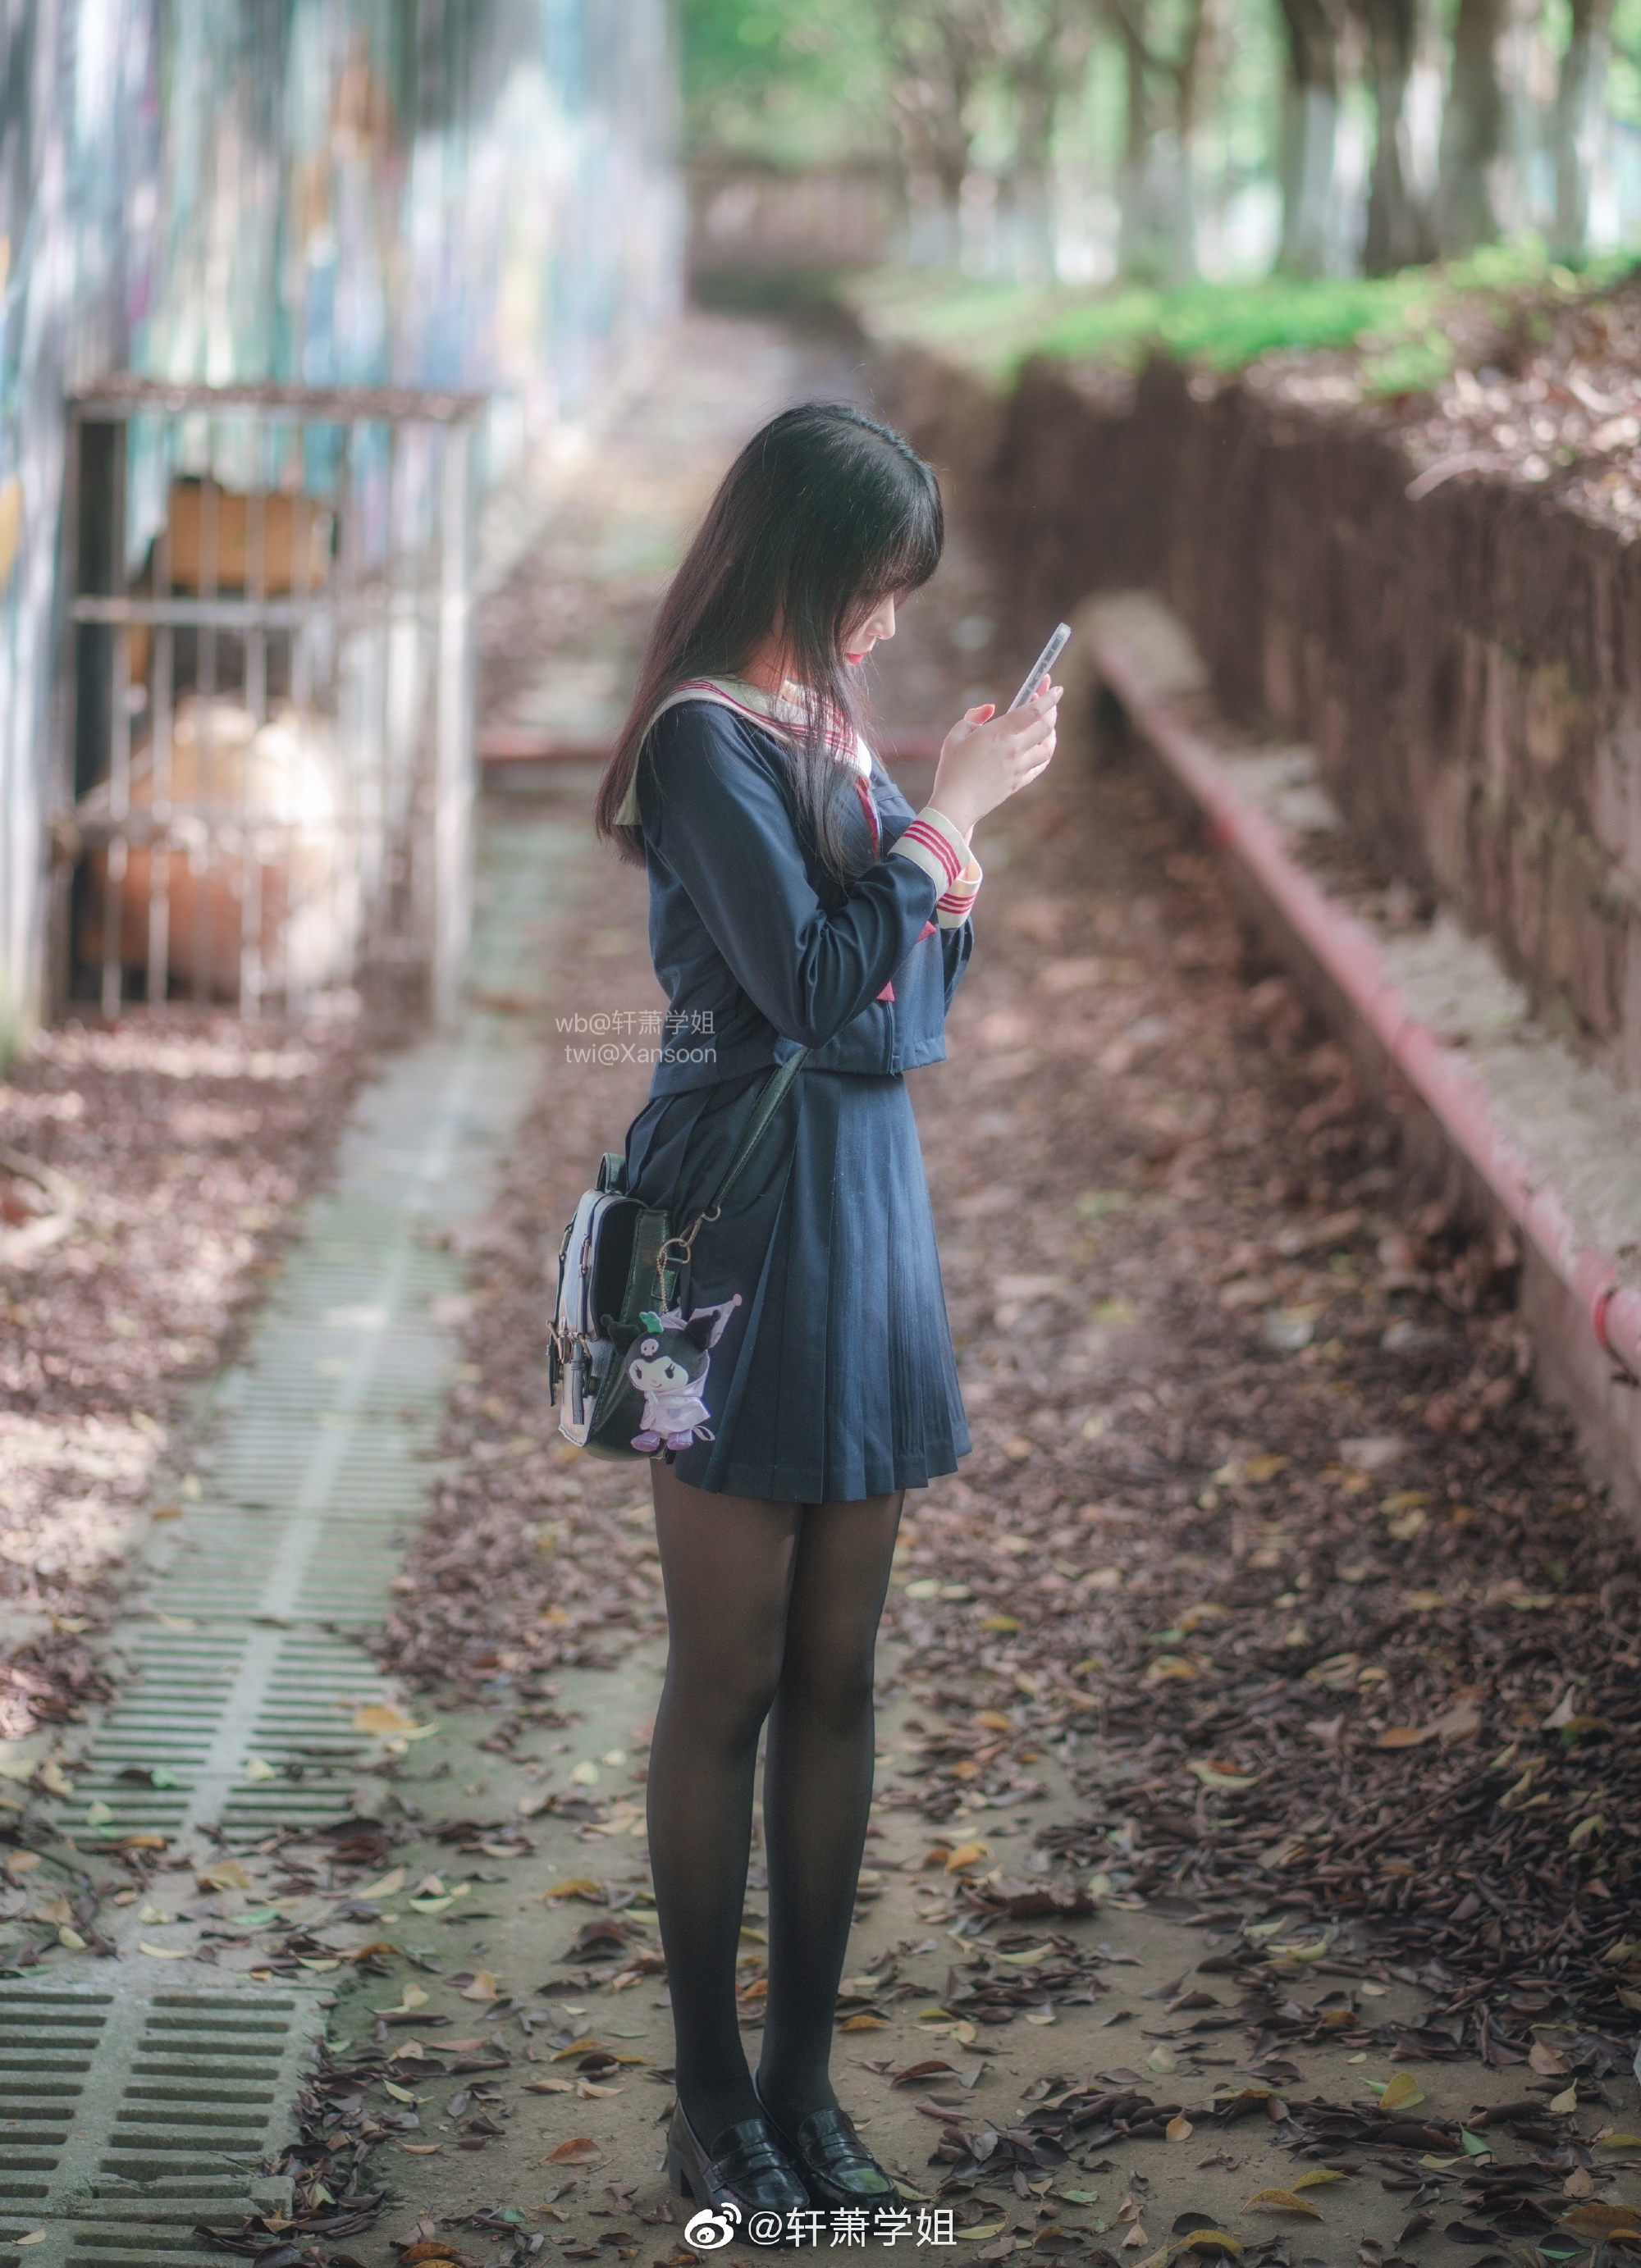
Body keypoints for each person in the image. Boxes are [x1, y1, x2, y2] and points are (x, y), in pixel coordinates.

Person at [592, 403, 1060, 2228]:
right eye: (868, 587)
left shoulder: (834, 734)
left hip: (865, 1219)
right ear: (793, 556)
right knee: (724, 1682)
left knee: (838, 1679)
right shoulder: (704, 737)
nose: (879, 623)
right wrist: (933, 834)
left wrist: (949, 859)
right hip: (734, 1230)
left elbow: (894, 1018)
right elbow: (800, 989)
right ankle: (714, 2107)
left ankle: (803, 2092)